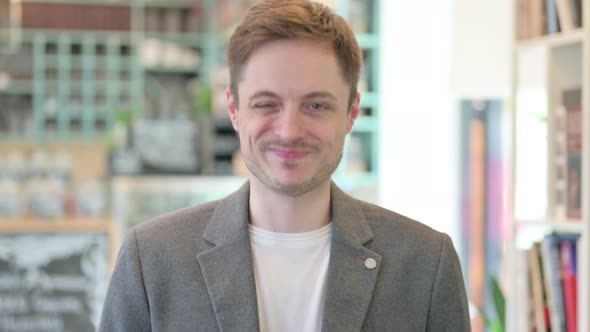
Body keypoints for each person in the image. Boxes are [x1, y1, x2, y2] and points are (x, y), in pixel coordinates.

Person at [99, 0, 471, 331]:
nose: (289, 131)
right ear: (234, 109)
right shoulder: (151, 259)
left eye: (316, 105)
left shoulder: (425, 265)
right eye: (266, 104)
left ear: (351, 113)